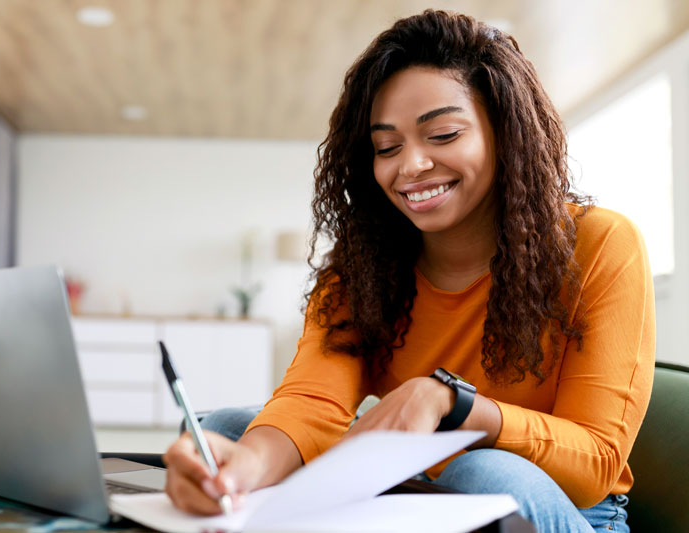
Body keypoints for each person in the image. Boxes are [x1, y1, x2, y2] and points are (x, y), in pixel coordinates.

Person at [163, 10, 655, 532]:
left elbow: (596, 463)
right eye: (387, 147)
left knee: (484, 472)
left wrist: (453, 403)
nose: (411, 166)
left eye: (442, 134)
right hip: (417, 493)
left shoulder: (601, 244)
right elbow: (313, 398)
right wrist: (244, 470)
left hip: (565, 509)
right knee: (229, 431)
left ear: (505, 132)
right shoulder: (363, 266)